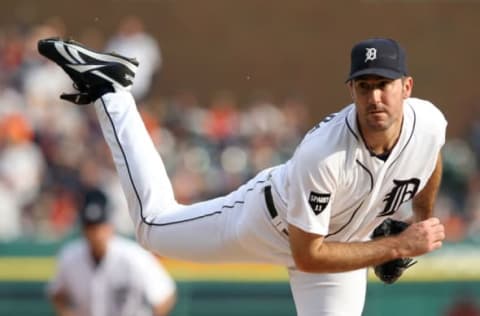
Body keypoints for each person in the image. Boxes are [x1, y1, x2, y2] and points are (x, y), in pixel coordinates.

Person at [38, 37, 446, 316]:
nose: (374, 96)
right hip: (268, 226)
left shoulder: (428, 123)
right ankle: (111, 91)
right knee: (150, 226)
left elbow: (431, 156)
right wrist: (396, 246)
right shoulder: (324, 153)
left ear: (406, 87)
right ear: (351, 91)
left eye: (385, 85)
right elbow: (309, 256)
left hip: (341, 250)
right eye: (364, 85)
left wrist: (418, 220)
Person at [47, 188, 177, 316]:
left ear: (110, 226)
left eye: (99, 226)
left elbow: (166, 294)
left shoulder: (134, 256)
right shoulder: (70, 256)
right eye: (90, 227)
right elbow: (57, 293)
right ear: (83, 229)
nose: (96, 233)